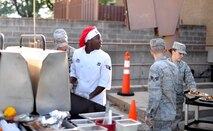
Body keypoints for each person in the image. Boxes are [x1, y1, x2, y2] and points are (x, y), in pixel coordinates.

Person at [69, 26, 112, 106]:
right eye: (97, 38)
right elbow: (74, 73)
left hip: (96, 101)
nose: (101, 41)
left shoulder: (105, 57)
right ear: (89, 41)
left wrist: (89, 97)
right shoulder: (77, 53)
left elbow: (104, 83)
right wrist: (70, 83)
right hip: (79, 96)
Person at [145, 38, 178, 131]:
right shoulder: (174, 66)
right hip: (171, 112)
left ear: (151, 51)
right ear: (165, 50)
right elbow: (178, 90)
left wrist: (149, 114)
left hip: (159, 114)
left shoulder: (155, 67)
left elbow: (155, 95)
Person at [168, 41, 196, 131]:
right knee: (166, 119)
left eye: (183, 54)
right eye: (180, 53)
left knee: (176, 119)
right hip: (166, 98)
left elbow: (190, 79)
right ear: (173, 51)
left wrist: (192, 88)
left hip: (178, 99)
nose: (182, 56)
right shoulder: (164, 65)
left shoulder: (184, 66)